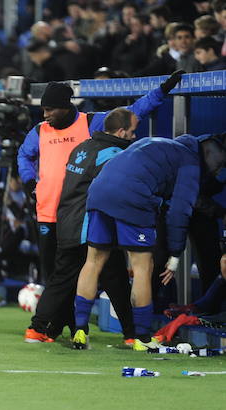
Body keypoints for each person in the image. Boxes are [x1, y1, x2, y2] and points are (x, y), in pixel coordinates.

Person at [17, 72, 182, 287]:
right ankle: (58, 319)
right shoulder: (39, 131)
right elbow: (23, 155)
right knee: (53, 277)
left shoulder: (91, 122)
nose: (44, 114)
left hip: (84, 215)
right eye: (44, 108)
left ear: (65, 107)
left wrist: (162, 90)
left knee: (98, 271)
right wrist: (31, 182)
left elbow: (132, 113)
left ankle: (88, 314)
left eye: (49, 109)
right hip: (49, 214)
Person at [73, 133, 226, 351]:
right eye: (219, 167)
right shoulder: (190, 163)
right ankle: (143, 338)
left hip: (98, 191)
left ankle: (79, 329)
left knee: (93, 261)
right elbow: (179, 212)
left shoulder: (157, 143)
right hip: (133, 196)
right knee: (143, 267)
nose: (218, 172)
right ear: (209, 158)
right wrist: (175, 255)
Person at [24, 108, 138, 345]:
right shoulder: (112, 154)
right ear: (120, 131)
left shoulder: (83, 147)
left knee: (61, 278)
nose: (134, 137)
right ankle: (131, 334)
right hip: (91, 227)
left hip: (65, 221)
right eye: (132, 132)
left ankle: (38, 329)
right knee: (115, 279)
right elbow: (111, 193)